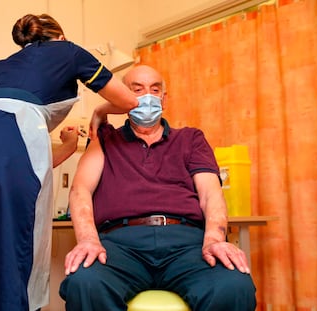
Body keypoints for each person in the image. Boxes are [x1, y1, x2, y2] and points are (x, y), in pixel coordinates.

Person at [0, 13, 138, 311]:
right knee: (10, 240)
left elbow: (19, 168)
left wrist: (69, 147)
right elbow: (128, 101)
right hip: (7, 142)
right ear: (59, 36)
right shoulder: (69, 50)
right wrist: (99, 112)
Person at [59, 65, 257, 310]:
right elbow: (80, 191)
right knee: (85, 282)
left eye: (155, 89)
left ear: (164, 98)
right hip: (121, 244)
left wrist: (214, 239)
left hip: (186, 243)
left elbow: (210, 193)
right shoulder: (106, 140)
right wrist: (88, 240)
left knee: (233, 285)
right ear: (124, 97)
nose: (148, 96)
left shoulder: (191, 139)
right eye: (138, 89)